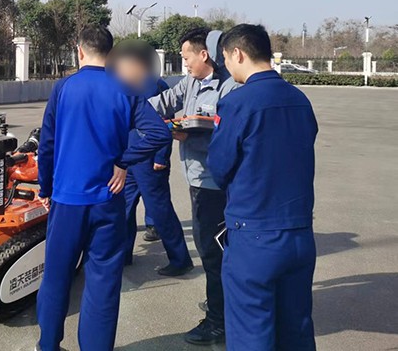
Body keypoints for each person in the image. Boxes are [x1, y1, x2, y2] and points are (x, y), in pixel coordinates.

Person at [36, 26, 172, 351]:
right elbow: (159, 133)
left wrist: (45, 188)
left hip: (67, 200)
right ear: (111, 54)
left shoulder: (63, 88)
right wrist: (123, 161)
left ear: (79, 50)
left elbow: (47, 144)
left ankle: (48, 345)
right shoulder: (125, 89)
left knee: (56, 278)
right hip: (108, 201)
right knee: (103, 284)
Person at [207, 24, 317, 350]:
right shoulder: (299, 99)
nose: (226, 66)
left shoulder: (238, 103)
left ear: (238, 54)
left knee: (251, 334)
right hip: (299, 234)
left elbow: (219, 167)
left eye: (226, 59)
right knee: (296, 332)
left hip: (254, 236)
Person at [149, 28, 239, 345]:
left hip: (215, 184)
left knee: (213, 253)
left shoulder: (228, 87)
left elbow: (229, 138)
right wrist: (129, 110)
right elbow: (164, 102)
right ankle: (222, 303)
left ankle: (218, 321)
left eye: (187, 57)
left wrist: (192, 136)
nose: (184, 63)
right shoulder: (191, 82)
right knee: (212, 250)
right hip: (197, 179)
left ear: (204, 54)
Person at [110, 41, 193, 276]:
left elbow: (165, 124)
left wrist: (161, 157)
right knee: (124, 209)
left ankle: (180, 259)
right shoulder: (121, 86)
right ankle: (124, 254)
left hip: (149, 161)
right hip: (128, 159)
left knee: (160, 210)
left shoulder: (156, 85)